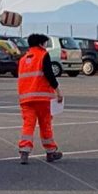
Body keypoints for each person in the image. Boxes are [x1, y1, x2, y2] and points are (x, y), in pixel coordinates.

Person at [17, 34, 64, 165]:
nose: (46, 46)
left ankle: (24, 151)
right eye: (45, 43)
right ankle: (50, 152)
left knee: (28, 125)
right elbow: (49, 75)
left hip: (26, 99)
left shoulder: (23, 59)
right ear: (40, 44)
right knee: (46, 125)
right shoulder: (43, 55)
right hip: (43, 98)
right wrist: (58, 91)